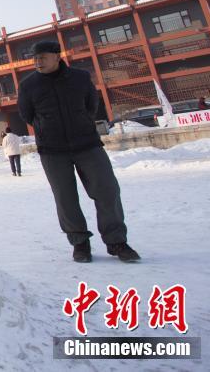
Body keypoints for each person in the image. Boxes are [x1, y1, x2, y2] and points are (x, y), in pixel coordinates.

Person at [17, 41, 140, 264]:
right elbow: (27, 115)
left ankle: (117, 242)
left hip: (88, 145)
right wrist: (47, 127)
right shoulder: (28, 85)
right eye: (35, 58)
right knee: (66, 199)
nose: (37, 62)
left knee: (107, 191)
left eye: (42, 57)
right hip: (53, 151)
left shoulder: (80, 78)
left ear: (57, 56)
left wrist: (81, 122)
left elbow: (91, 105)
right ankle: (79, 243)